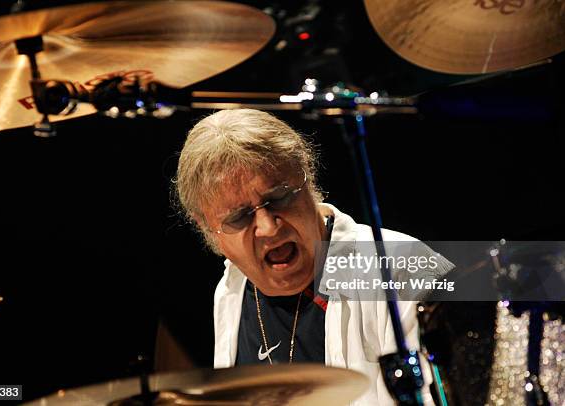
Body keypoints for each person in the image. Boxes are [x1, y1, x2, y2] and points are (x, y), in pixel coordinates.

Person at [174, 109, 453, 405]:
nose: (268, 227)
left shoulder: (408, 269)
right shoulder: (231, 290)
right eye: (239, 217)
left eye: (279, 198)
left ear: (307, 175)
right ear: (205, 226)